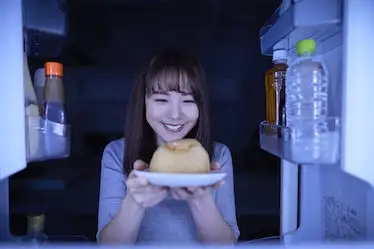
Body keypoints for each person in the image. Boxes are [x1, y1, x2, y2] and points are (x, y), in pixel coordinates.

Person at [97, 49, 240, 244]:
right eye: (162, 100)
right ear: (144, 102)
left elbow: (226, 245)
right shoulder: (116, 154)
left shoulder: (218, 156)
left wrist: (200, 197)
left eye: (188, 100)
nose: (175, 115)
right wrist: (135, 201)